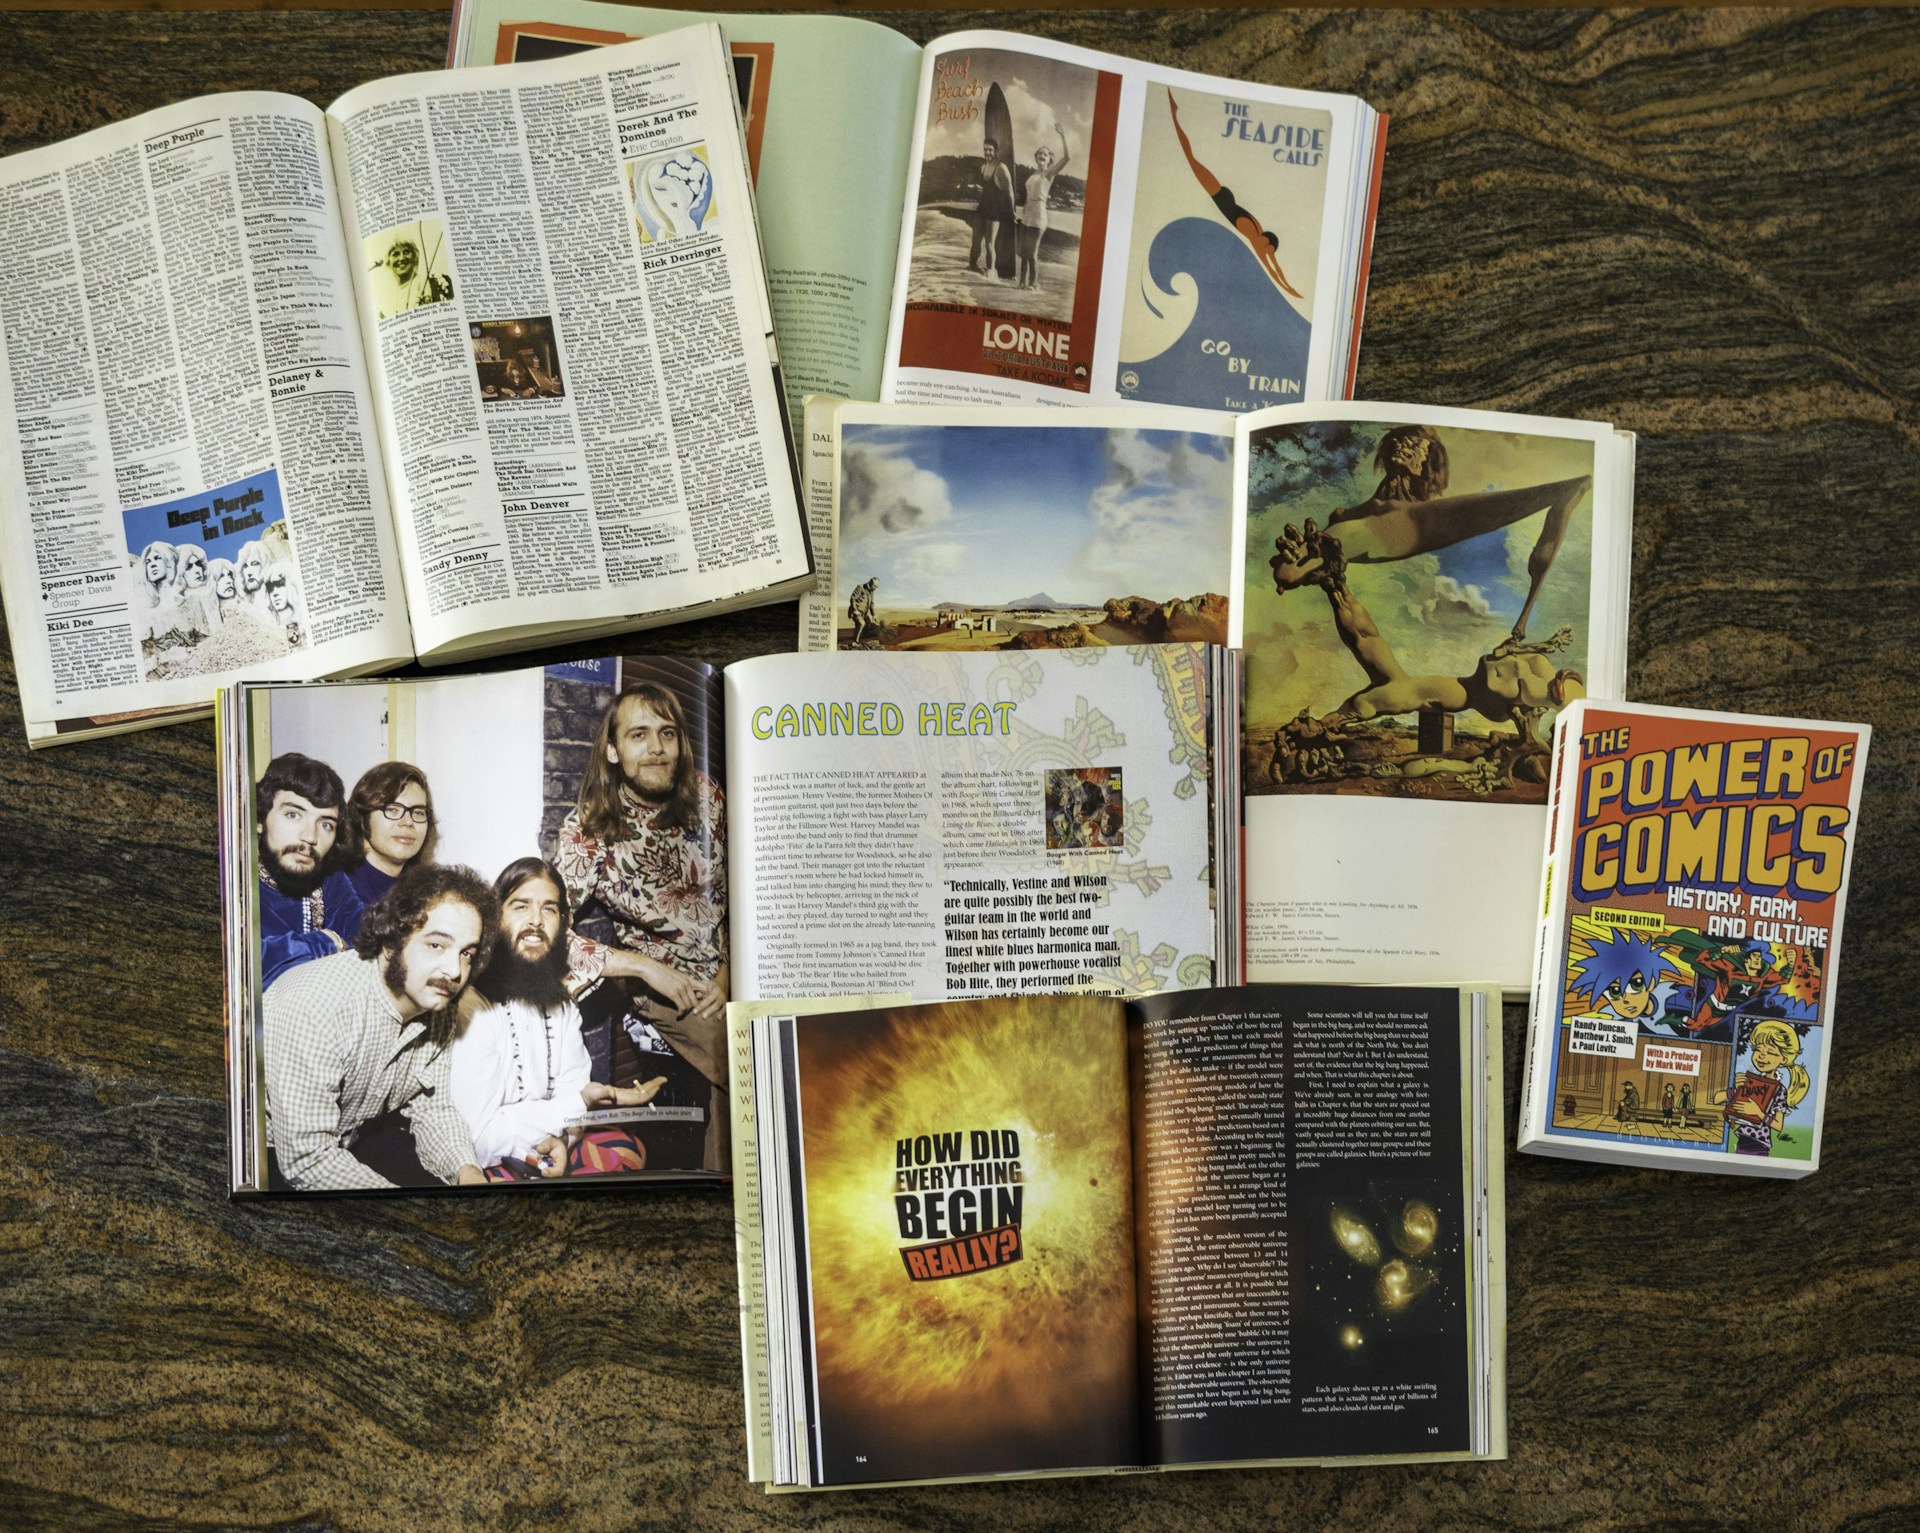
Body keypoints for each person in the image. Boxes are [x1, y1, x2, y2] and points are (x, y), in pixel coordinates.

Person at [557, 682, 729, 1171]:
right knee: (748, 1065)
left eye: (667, 733)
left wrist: (728, 973)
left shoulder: (707, 796)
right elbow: (547, 932)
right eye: (639, 735)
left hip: (735, 975)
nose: (656, 748)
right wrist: (646, 970)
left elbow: (745, 889)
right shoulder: (589, 830)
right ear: (612, 750)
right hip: (669, 994)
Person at [262, 864, 497, 1190]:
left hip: (353, 1135)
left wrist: (466, 1169)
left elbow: (433, 1108)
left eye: (467, 953)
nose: (455, 970)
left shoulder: (437, 1002)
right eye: (436, 945)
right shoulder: (315, 1006)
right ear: (391, 941)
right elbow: (308, 1159)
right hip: (269, 1157)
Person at [1269, 425, 1594, 644]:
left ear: (1426, 462)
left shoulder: (1424, 516)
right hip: (1324, 551)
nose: (1402, 447)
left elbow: (1503, 505)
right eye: (1399, 442)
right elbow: (1295, 564)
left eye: (1413, 446)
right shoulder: (1348, 513)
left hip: (1375, 536)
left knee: (1568, 489)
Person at [450, 859, 666, 1181]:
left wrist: (564, 1139)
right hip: (490, 1160)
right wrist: (568, 1111)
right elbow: (478, 1138)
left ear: (564, 924)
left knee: (627, 1149)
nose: (536, 921)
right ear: (496, 919)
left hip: (553, 1141)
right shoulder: (473, 1006)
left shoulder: (563, 1004)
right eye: (521, 906)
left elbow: (574, 1093)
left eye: (549, 909)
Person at [1167, 91, 1302, 299]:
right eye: (1267, 248)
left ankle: (1178, 118)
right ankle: (1175, 118)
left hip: (1225, 197)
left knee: (1192, 159)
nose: (1266, 253)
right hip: (1219, 196)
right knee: (1190, 158)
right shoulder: (1254, 236)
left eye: (1268, 250)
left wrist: (1288, 285)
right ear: (1266, 241)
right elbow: (1270, 267)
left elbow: (1275, 265)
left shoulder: (1259, 233)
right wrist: (1284, 287)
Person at [256, 752, 365, 991]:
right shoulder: (235, 877)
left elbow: (369, 940)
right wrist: (326, 942)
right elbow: (244, 964)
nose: (310, 837)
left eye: (325, 824)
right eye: (293, 815)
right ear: (260, 819)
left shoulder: (331, 880)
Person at [340, 761, 436, 911]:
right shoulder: (336, 888)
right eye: (392, 810)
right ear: (362, 818)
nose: (408, 822)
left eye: (418, 812)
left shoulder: (427, 894)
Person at [1717, 1019, 1809, 1157]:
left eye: (1771, 1052)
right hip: (1742, 1140)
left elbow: (1778, 1125)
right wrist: (1736, 1090)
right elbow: (1716, 1098)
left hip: (1758, 1144)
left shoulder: (1779, 1090)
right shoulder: (1750, 1081)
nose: (1761, 1055)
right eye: (1757, 1049)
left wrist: (1758, 1113)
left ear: (1783, 1059)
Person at [1016, 124, 1071, 289]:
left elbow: (1067, 158)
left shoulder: (1049, 173)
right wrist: (1021, 211)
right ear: (1036, 157)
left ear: (1049, 159)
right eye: (1040, 153)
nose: (1042, 156)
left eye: (1045, 154)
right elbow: (1027, 197)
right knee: (1023, 253)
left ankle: (1033, 285)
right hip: (1026, 216)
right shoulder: (1032, 174)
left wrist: (1062, 134)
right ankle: (1021, 283)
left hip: (1039, 216)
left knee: (1032, 253)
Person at [969, 137, 1016, 279]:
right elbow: (987, 188)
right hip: (982, 208)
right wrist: (981, 190)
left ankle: (991, 271)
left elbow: (1010, 191)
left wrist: (1012, 211)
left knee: (990, 243)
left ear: (995, 151)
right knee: (976, 239)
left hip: (995, 211)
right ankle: (972, 266)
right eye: (985, 150)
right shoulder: (984, 167)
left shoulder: (1001, 168)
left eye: (990, 150)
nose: (987, 153)